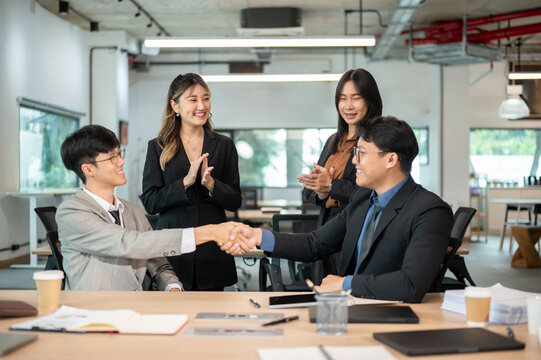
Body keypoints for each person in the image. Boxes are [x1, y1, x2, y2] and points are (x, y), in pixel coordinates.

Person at [224, 116, 453, 303]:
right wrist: (257, 236)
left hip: (393, 315)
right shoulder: (363, 198)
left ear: (391, 159)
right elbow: (315, 243)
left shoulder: (429, 210)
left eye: (361, 153)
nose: (354, 162)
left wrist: (345, 283)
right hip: (347, 308)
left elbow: (411, 284)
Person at [57, 125, 247, 291]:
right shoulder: (71, 212)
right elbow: (131, 243)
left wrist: (172, 287)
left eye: (119, 154)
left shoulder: (132, 211)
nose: (121, 162)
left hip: (136, 311)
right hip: (93, 317)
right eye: (112, 158)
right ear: (88, 169)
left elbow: (158, 262)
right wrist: (210, 232)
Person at [140, 73, 242, 291]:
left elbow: (234, 200)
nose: (201, 105)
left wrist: (211, 184)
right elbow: (150, 201)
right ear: (175, 106)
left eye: (206, 98)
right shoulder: (157, 147)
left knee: (212, 319)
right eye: (193, 99)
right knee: (172, 318)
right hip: (172, 248)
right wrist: (184, 182)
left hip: (212, 249)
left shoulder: (224, 145)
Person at [297, 68, 383, 280]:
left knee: (348, 291)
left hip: (357, 226)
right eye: (343, 99)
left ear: (370, 101)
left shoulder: (377, 140)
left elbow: (374, 191)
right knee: (325, 290)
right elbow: (312, 193)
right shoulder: (333, 140)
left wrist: (332, 186)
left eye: (356, 98)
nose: (348, 106)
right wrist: (321, 192)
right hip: (328, 225)